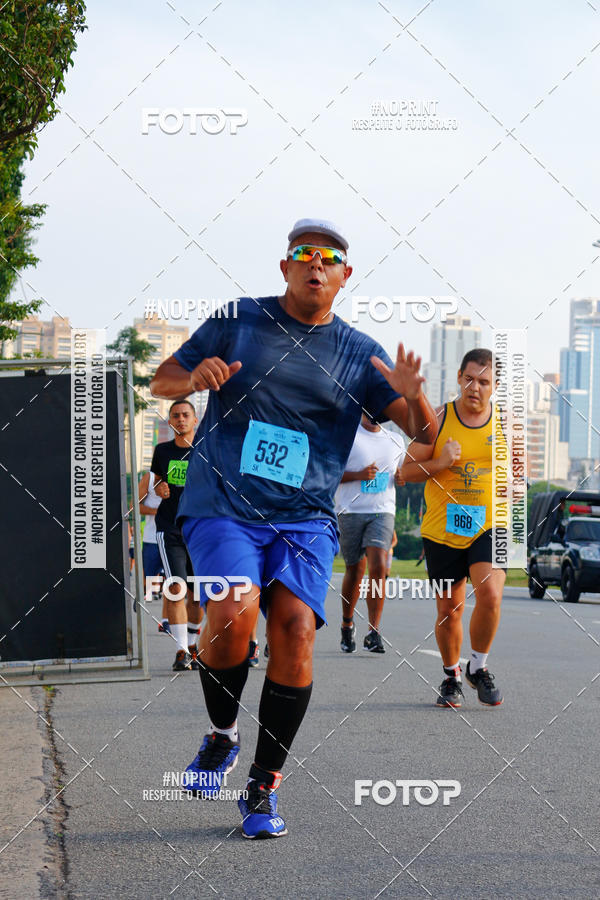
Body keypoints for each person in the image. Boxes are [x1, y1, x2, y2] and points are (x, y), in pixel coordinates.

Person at [151, 216, 437, 839]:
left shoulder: (362, 354)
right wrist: (193, 378)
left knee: (298, 632)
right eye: (303, 254)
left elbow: (425, 435)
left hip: (304, 517)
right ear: (285, 266)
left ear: (344, 276)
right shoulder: (239, 320)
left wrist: (415, 397)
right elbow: (161, 380)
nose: (316, 264)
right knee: (231, 615)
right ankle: (222, 736)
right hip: (224, 502)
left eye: (328, 258)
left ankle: (261, 786)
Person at [398, 348, 505, 709]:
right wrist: (441, 462)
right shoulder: (438, 419)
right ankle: (451, 676)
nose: (476, 387)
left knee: (490, 594)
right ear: (459, 377)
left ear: (495, 386)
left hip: (491, 526)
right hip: (442, 530)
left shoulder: (507, 424)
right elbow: (404, 473)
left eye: (485, 381)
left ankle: (478, 666)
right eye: (470, 379)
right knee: (450, 610)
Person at [335, 414, 405, 653]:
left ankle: (373, 632)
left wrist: (401, 477)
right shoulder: (347, 435)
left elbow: (400, 473)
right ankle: (347, 624)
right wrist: (358, 475)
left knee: (378, 567)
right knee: (355, 571)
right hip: (350, 510)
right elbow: (330, 474)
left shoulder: (396, 440)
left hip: (382, 511)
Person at [151, 400, 203, 671]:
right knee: (175, 588)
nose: (181, 419)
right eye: (175, 416)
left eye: (186, 415)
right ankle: (181, 650)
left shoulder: (206, 451)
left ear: (195, 420)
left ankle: (192, 644)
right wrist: (160, 487)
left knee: (197, 594)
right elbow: (158, 479)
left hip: (201, 531)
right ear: (170, 422)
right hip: (170, 528)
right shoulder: (162, 450)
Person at [138, 470, 167, 632]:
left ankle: (165, 620)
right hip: (151, 538)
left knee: (172, 582)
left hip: (174, 538)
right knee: (148, 584)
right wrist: (158, 512)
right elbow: (135, 506)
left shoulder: (181, 475)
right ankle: (143, 596)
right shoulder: (149, 478)